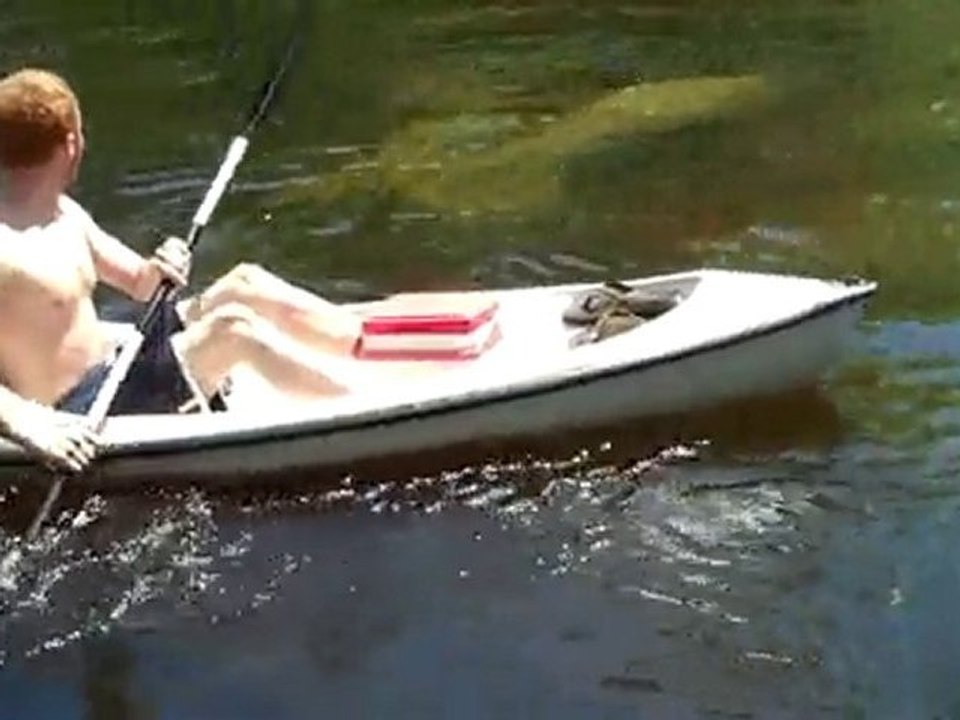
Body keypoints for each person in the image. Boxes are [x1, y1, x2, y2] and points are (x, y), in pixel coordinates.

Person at [0, 67, 364, 473]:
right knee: (234, 329)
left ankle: (368, 346)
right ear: (71, 144)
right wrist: (26, 423)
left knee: (245, 284)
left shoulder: (65, 213)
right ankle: (370, 414)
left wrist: (163, 264)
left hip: (122, 364)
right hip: (87, 408)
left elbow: (142, 285)